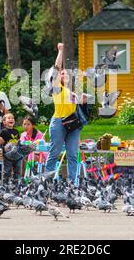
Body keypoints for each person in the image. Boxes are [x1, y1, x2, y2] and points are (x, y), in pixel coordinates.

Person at [45, 43, 88, 182]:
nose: (64, 74)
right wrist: (61, 51)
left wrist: (83, 100)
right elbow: (57, 67)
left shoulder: (71, 92)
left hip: (73, 123)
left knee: (72, 155)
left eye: (66, 73)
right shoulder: (57, 88)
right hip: (59, 122)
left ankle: (72, 184)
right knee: (54, 153)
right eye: (62, 73)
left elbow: (76, 106)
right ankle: (47, 181)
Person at [0, 113, 21, 181]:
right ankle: (5, 183)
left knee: (17, 169)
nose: (11, 119)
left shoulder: (16, 131)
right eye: (9, 118)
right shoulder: (3, 131)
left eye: (12, 118)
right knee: (7, 170)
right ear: (4, 122)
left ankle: (16, 182)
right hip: (7, 155)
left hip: (16, 154)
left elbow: (18, 141)